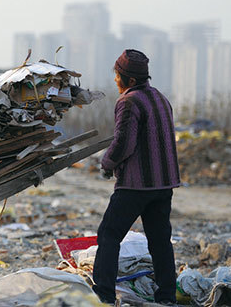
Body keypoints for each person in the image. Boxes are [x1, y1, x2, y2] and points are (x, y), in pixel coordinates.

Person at [92, 49, 181, 305]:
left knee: (109, 235)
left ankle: (104, 296)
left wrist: (107, 163)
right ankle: (166, 297)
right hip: (164, 185)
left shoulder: (129, 101)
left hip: (136, 185)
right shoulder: (162, 99)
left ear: (129, 80)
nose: (115, 81)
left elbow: (124, 143)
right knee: (160, 241)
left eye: (117, 76)